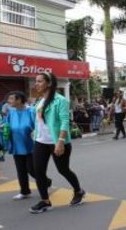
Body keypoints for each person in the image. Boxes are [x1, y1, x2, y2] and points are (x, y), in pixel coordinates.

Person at [30, 72, 85, 214]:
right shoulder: (39, 101)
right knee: (38, 171)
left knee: (63, 169)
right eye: (36, 81)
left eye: (40, 81)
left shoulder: (60, 100)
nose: (36, 84)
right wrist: (35, 132)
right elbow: (40, 120)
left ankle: (78, 191)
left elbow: (65, 122)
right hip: (40, 141)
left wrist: (60, 142)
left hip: (57, 142)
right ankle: (45, 201)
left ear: (49, 83)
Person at [5, 91, 52, 200]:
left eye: (11, 99)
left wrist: (35, 132)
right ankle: (24, 191)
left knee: (32, 169)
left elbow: (39, 124)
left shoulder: (31, 111)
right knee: (20, 170)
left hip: (32, 145)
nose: (9, 101)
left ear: (19, 100)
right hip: (17, 144)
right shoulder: (11, 112)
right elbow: (7, 124)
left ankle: (45, 181)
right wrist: (3, 128)